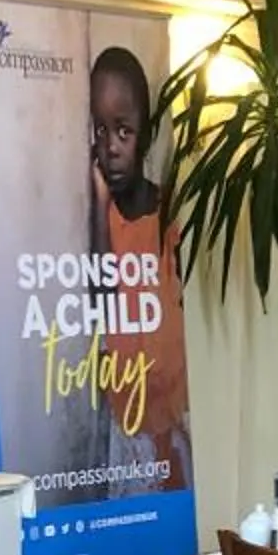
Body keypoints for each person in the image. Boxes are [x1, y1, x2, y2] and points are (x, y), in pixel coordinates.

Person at [86, 44, 192, 499]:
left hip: (174, 408)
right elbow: (100, 295)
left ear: (145, 136)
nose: (111, 147)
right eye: (101, 130)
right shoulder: (100, 218)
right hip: (127, 415)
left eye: (124, 131)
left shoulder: (168, 211)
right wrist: (98, 207)